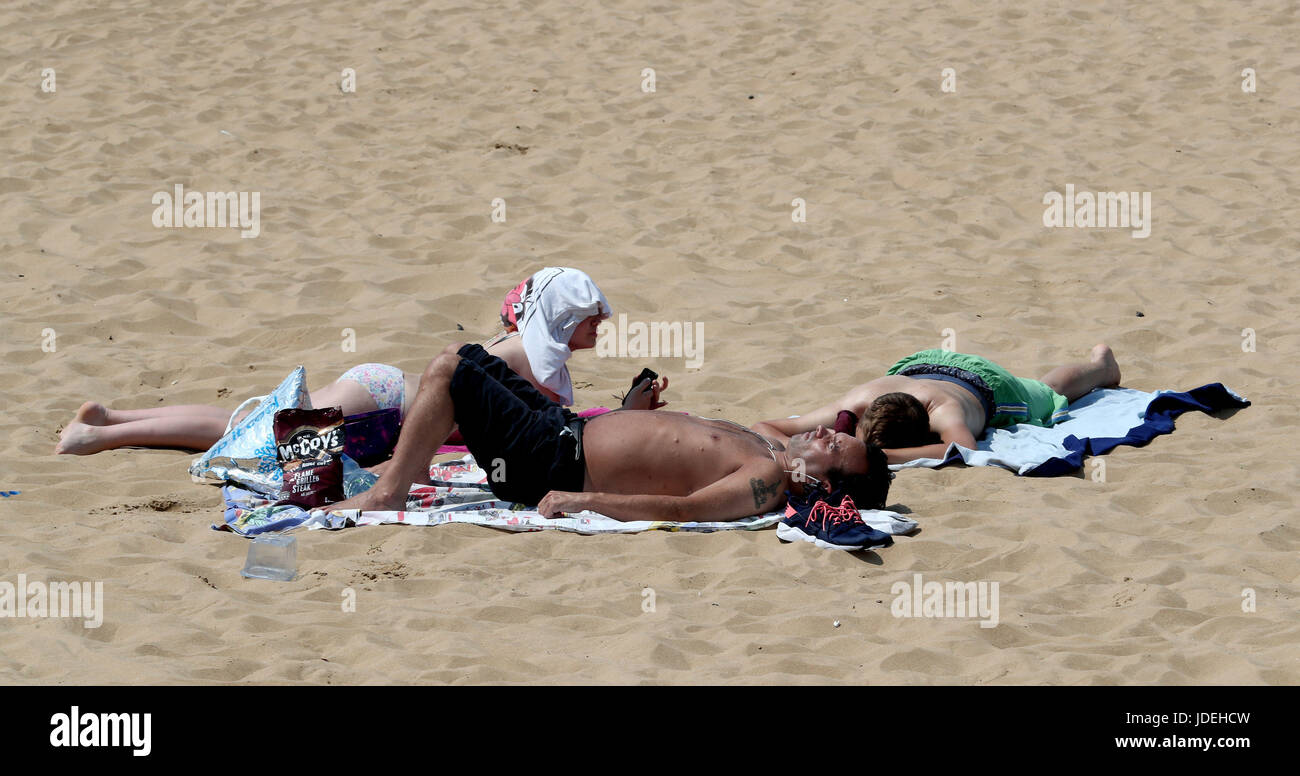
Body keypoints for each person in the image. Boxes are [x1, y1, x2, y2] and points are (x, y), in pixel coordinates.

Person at [55, 267, 666, 455]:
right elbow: (548, 432)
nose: (600, 327)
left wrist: (622, 410)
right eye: (591, 318)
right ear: (560, 319)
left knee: (251, 425)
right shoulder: (532, 361)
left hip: (383, 399)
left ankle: (116, 418)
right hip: (381, 406)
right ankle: (97, 436)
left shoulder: (541, 359)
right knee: (256, 437)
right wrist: (622, 415)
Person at [324, 342, 893, 523]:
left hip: (553, 461)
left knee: (452, 370)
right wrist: (632, 409)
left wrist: (587, 501)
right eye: (839, 435)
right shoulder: (767, 443)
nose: (828, 436)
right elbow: (665, 449)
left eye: (837, 451)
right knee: (469, 357)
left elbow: (688, 510)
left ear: (823, 487)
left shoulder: (767, 479)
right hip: (564, 431)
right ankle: (411, 466)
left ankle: (390, 490)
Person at [752, 344, 1121, 464]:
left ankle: (1101, 365)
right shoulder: (858, 401)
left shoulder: (944, 412)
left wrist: (879, 456)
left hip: (985, 384)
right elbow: (767, 428)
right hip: (920, 365)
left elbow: (964, 446)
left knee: (1046, 391)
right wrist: (788, 452)